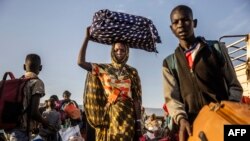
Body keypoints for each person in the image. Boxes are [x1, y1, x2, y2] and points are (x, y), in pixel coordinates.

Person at [162, 5, 243, 141]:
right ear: (172, 29)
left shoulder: (216, 49)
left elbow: (234, 86)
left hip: (223, 122)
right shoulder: (169, 63)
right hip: (194, 127)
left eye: (185, 19)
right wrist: (181, 119)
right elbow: (172, 99)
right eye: (176, 22)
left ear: (194, 23)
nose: (181, 25)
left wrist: (228, 111)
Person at [78, 27, 142, 141]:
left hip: (127, 116)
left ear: (127, 52)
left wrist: (138, 123)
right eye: (116, 50)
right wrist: (86, 38)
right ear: (112, 51)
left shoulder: (132, 71)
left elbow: (136, 99)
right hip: (109, 116)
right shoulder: (103, 69)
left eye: (122, 50)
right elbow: (80, 62)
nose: (119, 53)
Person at [6, 53, 54, 141]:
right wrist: (46, 123)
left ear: (24, 67)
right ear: (40, 68)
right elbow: (34, 113)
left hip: (12, 130)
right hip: (22, 133)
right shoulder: (37, 82)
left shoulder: (18, 83)